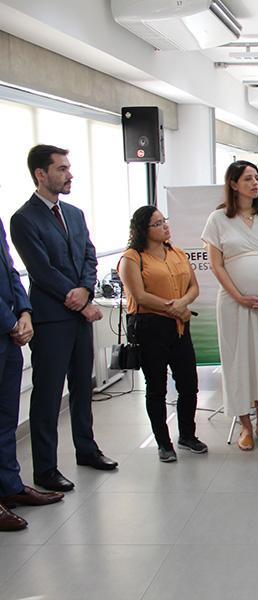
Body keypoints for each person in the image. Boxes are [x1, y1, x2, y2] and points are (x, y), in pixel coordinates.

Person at [10, 144, 117, 493]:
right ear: (41, 174)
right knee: (49, 394)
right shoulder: (24, 219)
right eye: (62, 169)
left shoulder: (74, 213)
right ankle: (45, 469)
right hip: (52, 319)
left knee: (83, 388)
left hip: (79, 315)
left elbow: (89, 255)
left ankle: (87, 449)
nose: (70, 175)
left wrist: (86, 290)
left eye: (69, 168)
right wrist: (79, 301)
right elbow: (41, 269)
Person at [201, 160, 258, 451]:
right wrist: (239, 295)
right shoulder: (218, 220)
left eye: (257, 178)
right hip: (235, 304)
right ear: (233, 184)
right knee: (239, 362)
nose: (255, 183)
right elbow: (216, 265)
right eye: (249, 178)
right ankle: (246, 427)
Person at [118, 206, 208, 463]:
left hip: (179, 325)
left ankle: (187, 435)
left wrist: (182, 305)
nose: (165, 226)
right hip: (150, 327)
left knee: (189, 384)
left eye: (164, 221)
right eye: (157, 224)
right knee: (156, 387)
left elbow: (193, 287)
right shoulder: (132, 258)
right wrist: (175, 307)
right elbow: (140, 296)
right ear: (143, 230)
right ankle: (163, 443)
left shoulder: (176, 253)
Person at [0, 214, 63, 531]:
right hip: (6, 327)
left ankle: (9, 487)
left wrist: (24, 311)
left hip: (9, 335)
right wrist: (10, 321)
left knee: (6, 419)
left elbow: (11, 271)